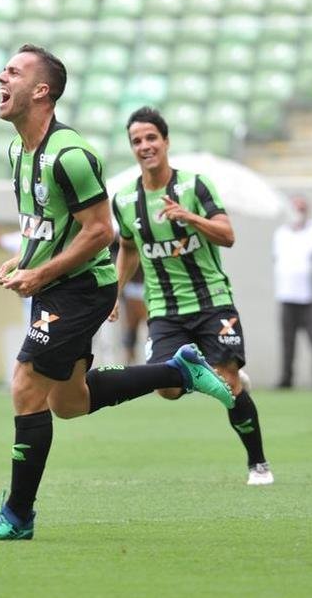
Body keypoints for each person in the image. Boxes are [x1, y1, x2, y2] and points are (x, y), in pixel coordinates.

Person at [0, 45, 234, 542]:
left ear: (41, 91)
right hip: (56, 285)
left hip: (80, 289)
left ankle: (17, 515)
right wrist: (26, 258)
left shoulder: (72, 155)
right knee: (69, 402)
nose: (0, 76)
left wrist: (40, 276)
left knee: (25, 385)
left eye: (13, 72)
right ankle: (178, 369)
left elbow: (101, 232)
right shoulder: (19, 151)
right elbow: (51, 224)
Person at [109, 106, 273, 486]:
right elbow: (129, 250)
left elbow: (227, 235)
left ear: (166, 142)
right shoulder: (125, 200)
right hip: (165, 310)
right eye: (137, 141)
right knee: (165, 388)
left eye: (151, 138)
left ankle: (258, 464)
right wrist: (113, 297)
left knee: (230, 386)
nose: (145, 145)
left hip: (212, 302)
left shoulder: (196, 186)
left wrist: (191, 219)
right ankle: (210, 371)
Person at [272, 194, 312, 389]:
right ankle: (286, 378)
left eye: (301, 209)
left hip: (311, 297)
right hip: (287, 295)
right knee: (287, 341)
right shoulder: (281, 233)